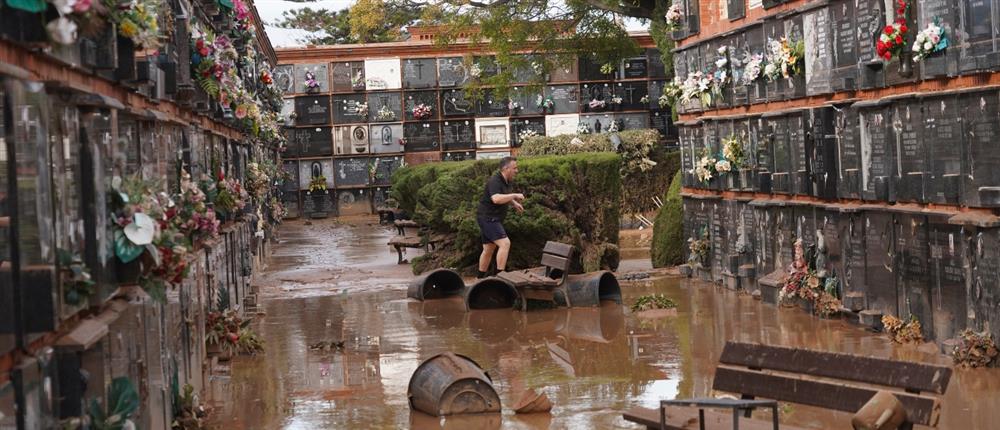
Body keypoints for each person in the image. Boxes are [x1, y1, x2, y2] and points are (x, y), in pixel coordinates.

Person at [476, 156, 524, 278]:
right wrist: (514, 195)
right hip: (488, 218)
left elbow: (505, 195)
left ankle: (479, 278)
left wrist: (514, 203)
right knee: (505, 243)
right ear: (506, 168)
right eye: (514, 168)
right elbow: (496, 199)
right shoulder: (495, 181)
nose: (516, 170)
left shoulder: (507, 180)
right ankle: (500, 277)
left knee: (488, 249)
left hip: (492, 218)